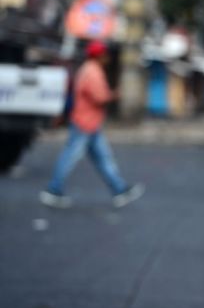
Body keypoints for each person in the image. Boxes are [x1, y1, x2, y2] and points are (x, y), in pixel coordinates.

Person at [39, 41, 144, 209]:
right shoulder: (92, 72)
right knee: (71, 157)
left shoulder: (88, 69)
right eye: (104, 54)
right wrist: (114, 95)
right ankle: (53, 189)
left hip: (90, 123)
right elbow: (99, 97)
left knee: (103, 158)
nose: (107, 57)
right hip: (84, 123)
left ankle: (119, 189)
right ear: (98, 55)